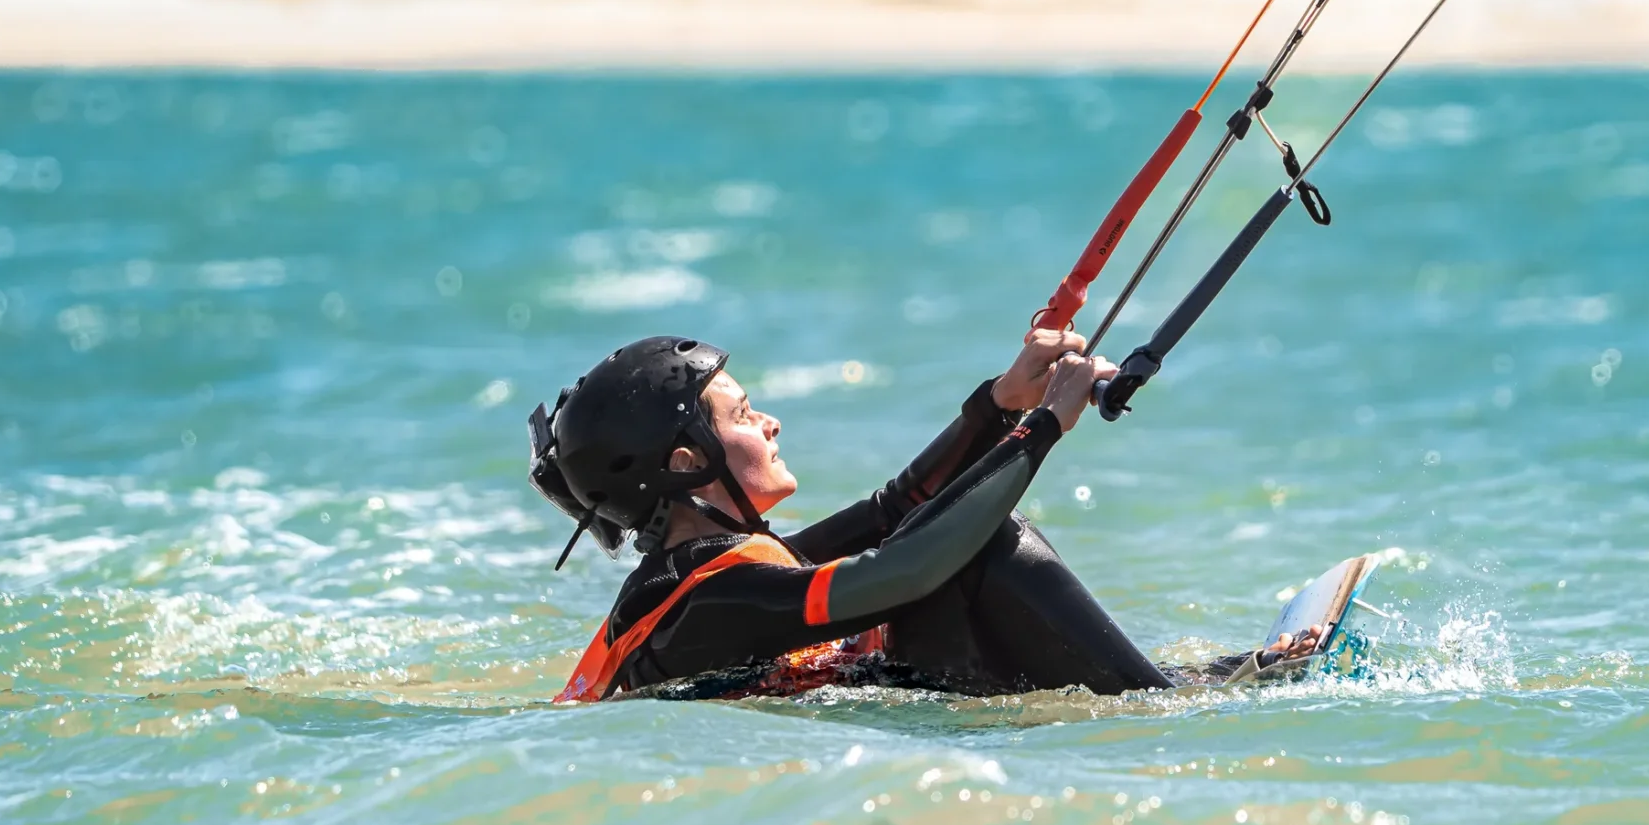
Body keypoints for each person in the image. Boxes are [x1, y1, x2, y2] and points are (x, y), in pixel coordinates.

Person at [528, 330, 1317, 702]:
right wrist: (1042, 429)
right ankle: (1173, 704)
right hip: (886, 702)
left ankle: (1192, 678)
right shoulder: (710, 606)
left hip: (887, 693)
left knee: (944, 542)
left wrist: (999, 402)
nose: (768, 422)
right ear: (684, 463)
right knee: (980, 546)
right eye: (741, 413)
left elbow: (892, 511)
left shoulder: (704, 574)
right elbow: (905, 568)